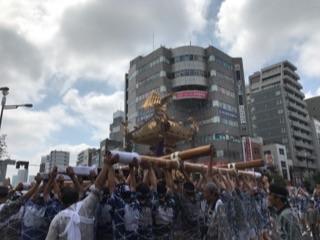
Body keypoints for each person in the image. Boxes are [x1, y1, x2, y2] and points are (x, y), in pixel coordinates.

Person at [45, 152, 119, 240]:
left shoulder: (57, 219)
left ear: (60, 199)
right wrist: (107, 164)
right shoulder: (85, 208)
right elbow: (97, 187)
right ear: (78, 198)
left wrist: (52, 179)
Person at [0, 173, 42, 240]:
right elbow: (21, 200)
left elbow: (9, 196)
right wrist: (37, 184)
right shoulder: (4, 208)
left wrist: (15, 189)